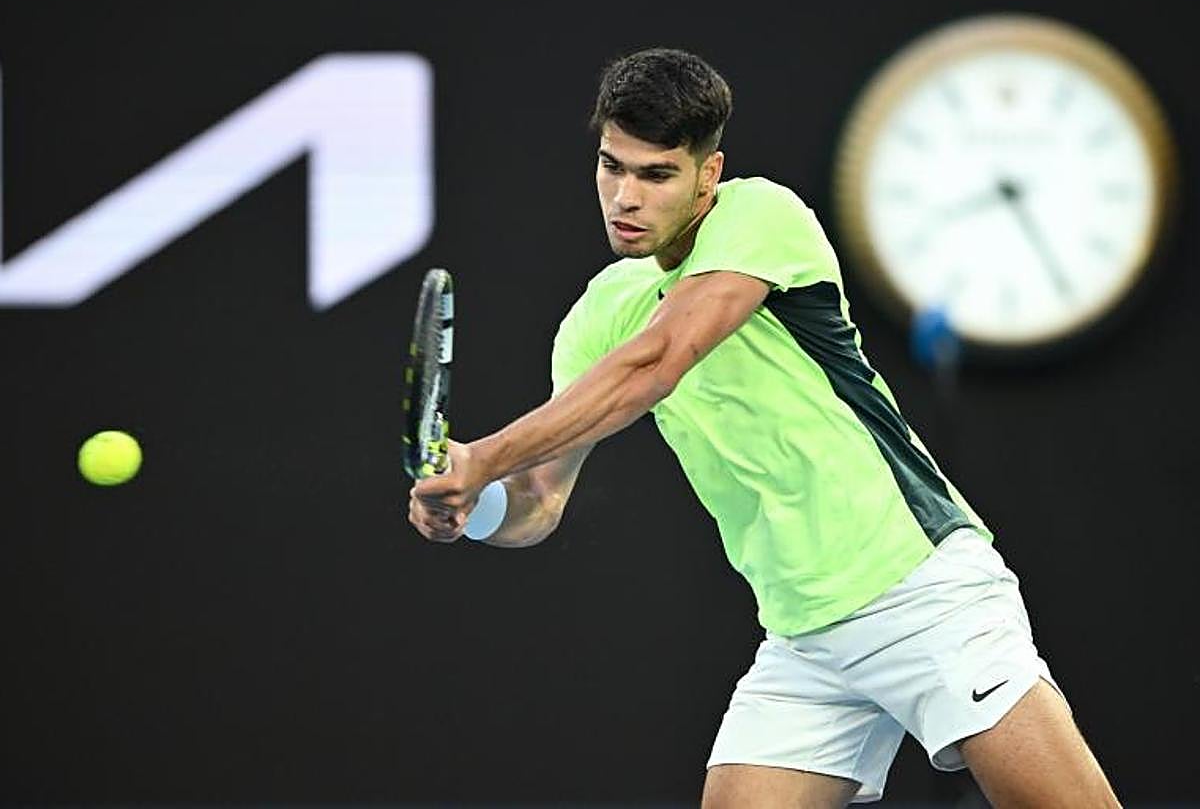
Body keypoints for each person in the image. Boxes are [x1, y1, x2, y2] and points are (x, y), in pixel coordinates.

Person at [408, 48, 1119, 808]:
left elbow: (659, 362)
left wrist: (480, 454)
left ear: (707, 175)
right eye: (612, 167)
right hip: (805, 640)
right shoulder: (595, 320)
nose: (625, 197)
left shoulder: (762, 217)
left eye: (657, 176)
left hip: (923, 590)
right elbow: (540, 503)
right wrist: (472, 507)